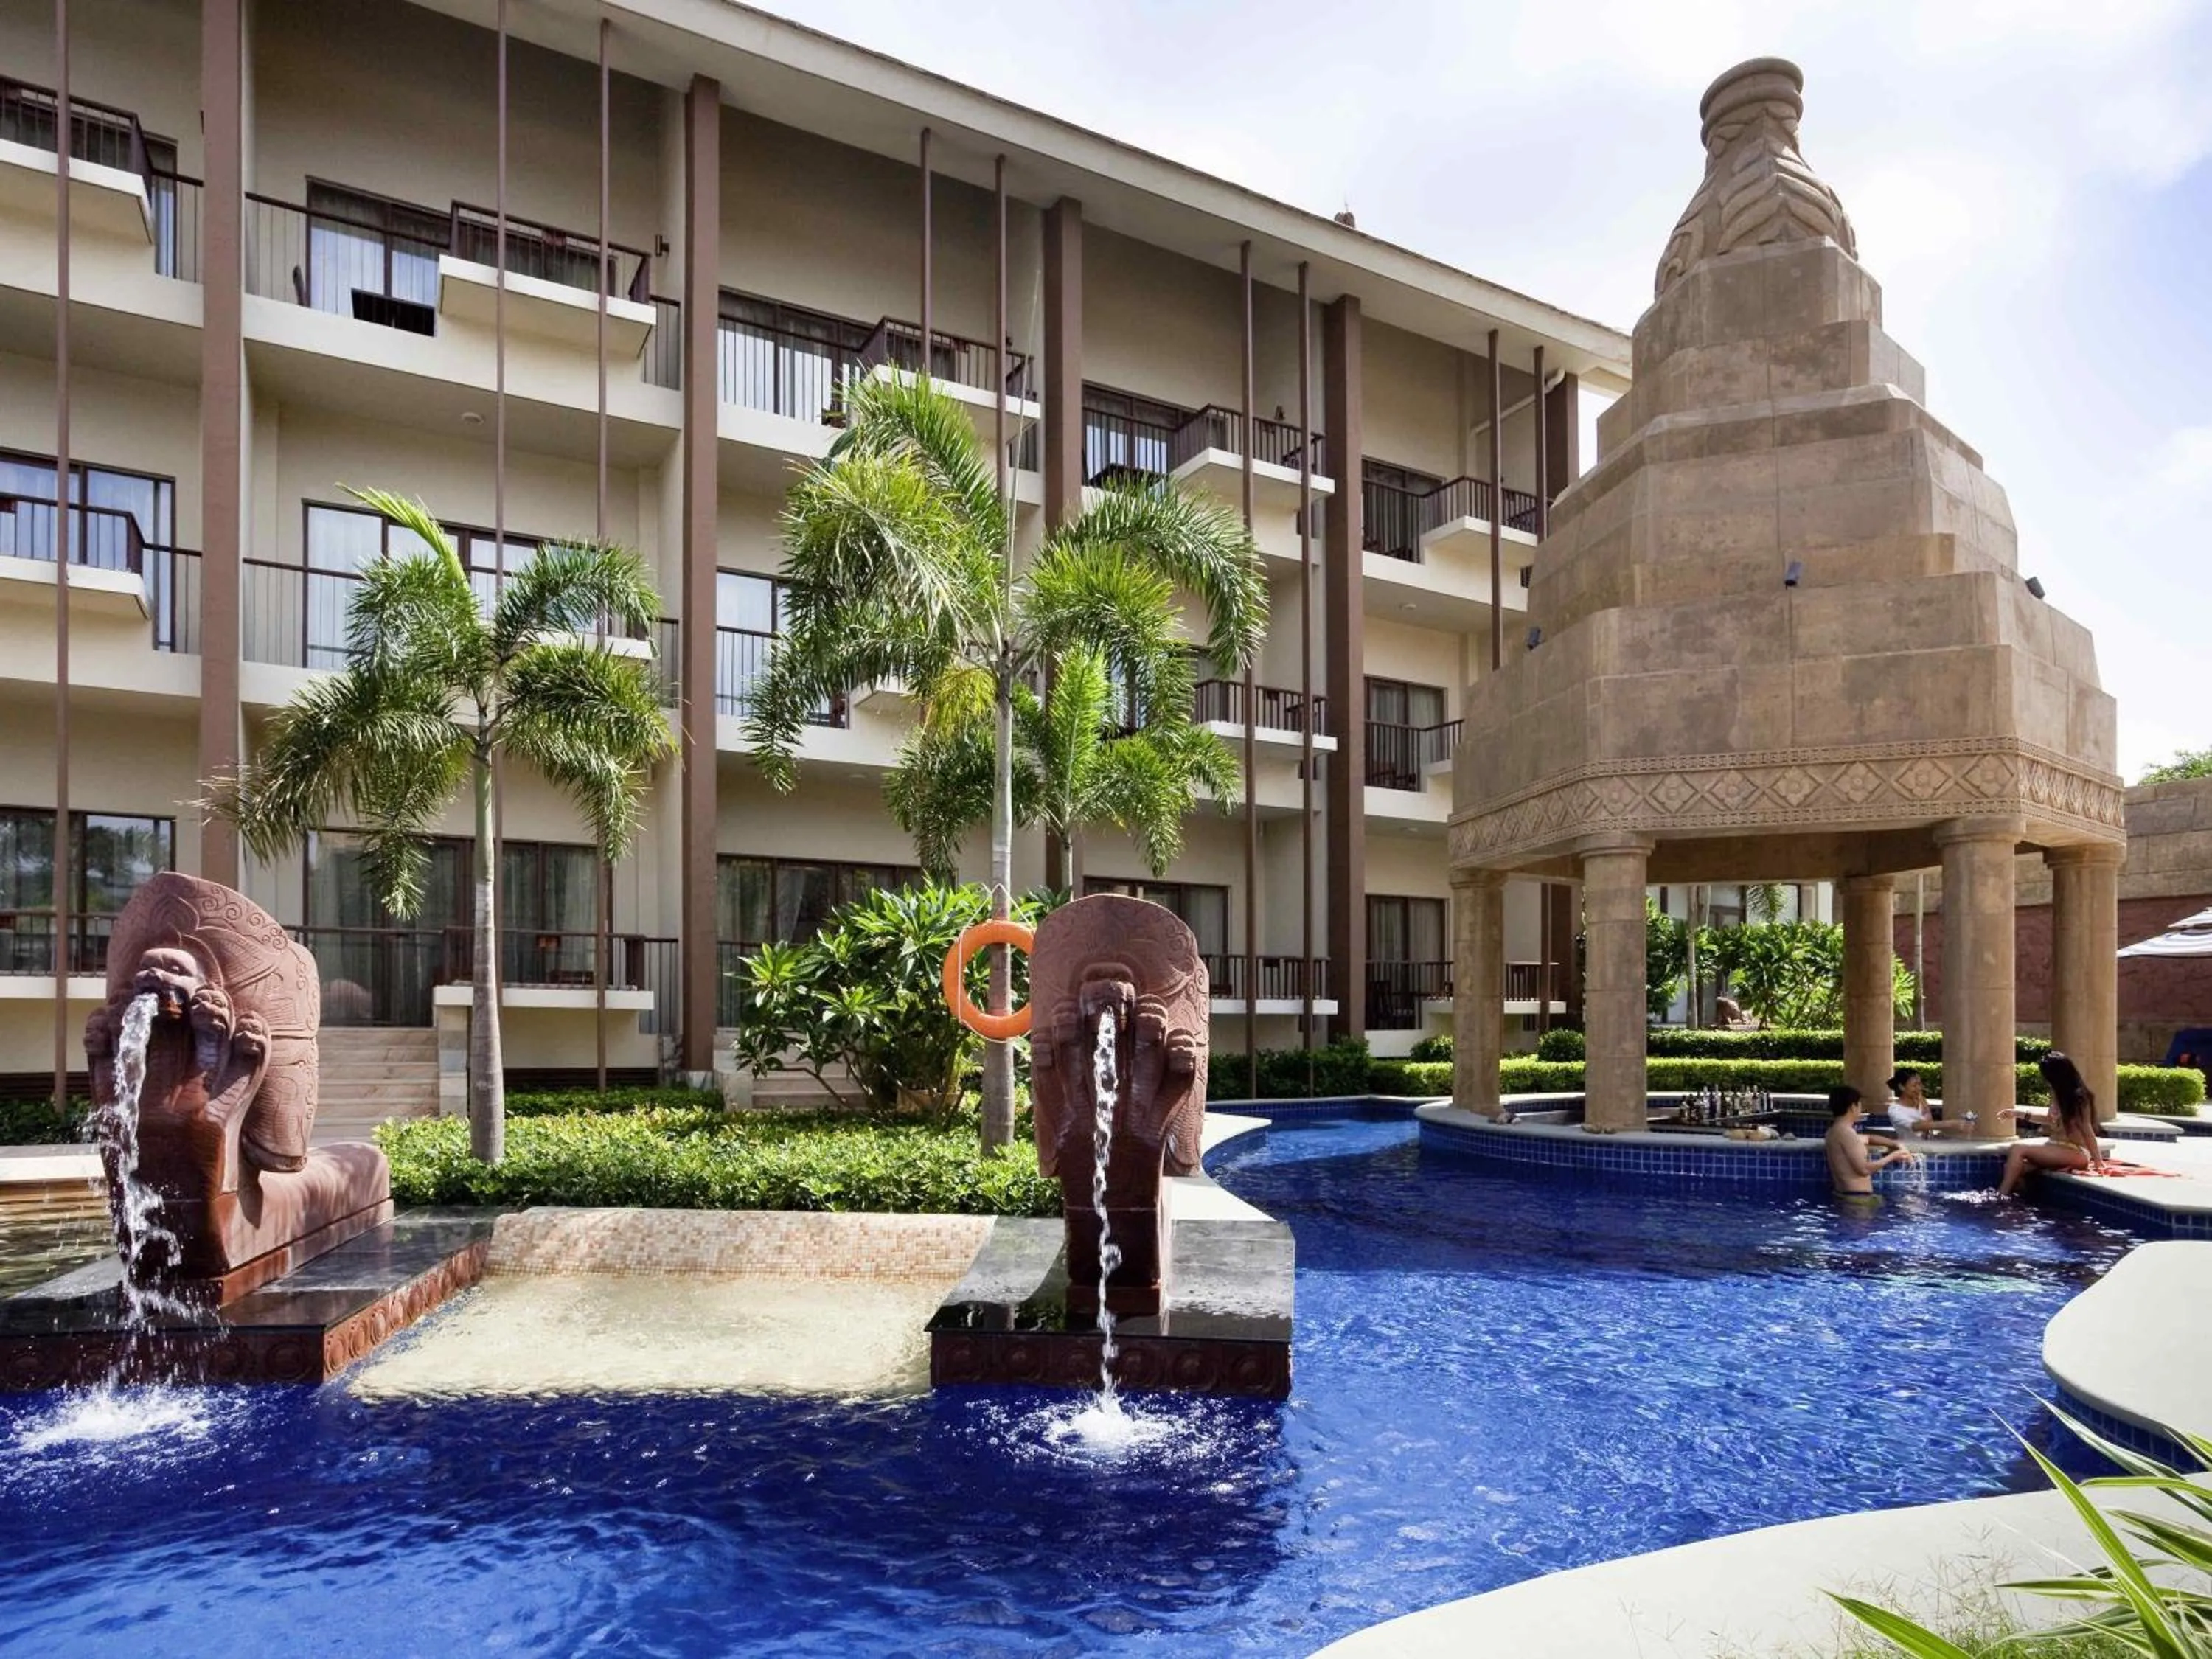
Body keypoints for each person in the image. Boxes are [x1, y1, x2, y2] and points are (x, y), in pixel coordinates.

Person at [1998, 1051, 2103, 1197]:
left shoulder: (2079, 1098)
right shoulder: (2057, 1094)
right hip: (2055, 1147)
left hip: (2075, 1151)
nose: (2045, 1080)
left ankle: (2002, 1196)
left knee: (2017, 1149)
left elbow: (2087, 1130)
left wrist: (2098, 1161)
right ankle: (2023, 1201)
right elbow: (2049, 1119)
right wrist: (2017, 1114)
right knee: (2014, 1168)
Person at [1825, 1084, 1916, 1197]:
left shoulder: (1834, 1132)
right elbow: (1864, 1169)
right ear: (1853, 1107)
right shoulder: (1847, 1134)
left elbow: (1868, 1138)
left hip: (1845, 1195)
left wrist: (1894, 1143)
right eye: (1859, 1105)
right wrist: (1894, 1156)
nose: (1860, 1109)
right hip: (1858, 1198)